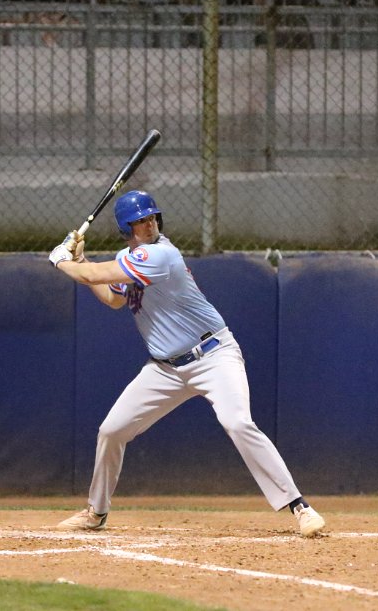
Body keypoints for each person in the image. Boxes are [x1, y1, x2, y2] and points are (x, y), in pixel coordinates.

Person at [47, 190, 325, 537]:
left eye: (152, 218)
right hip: (165, 369)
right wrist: (81, 259)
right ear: (126, 228)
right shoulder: (127, 258)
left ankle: (299, 506)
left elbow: (91, 276)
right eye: (140, 221)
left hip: (213, 356)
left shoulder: (160, 254)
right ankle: (96, 512)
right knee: (112, 430)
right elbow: (112, 297)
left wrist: (62, 262)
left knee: (237, 422)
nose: (149, 224)